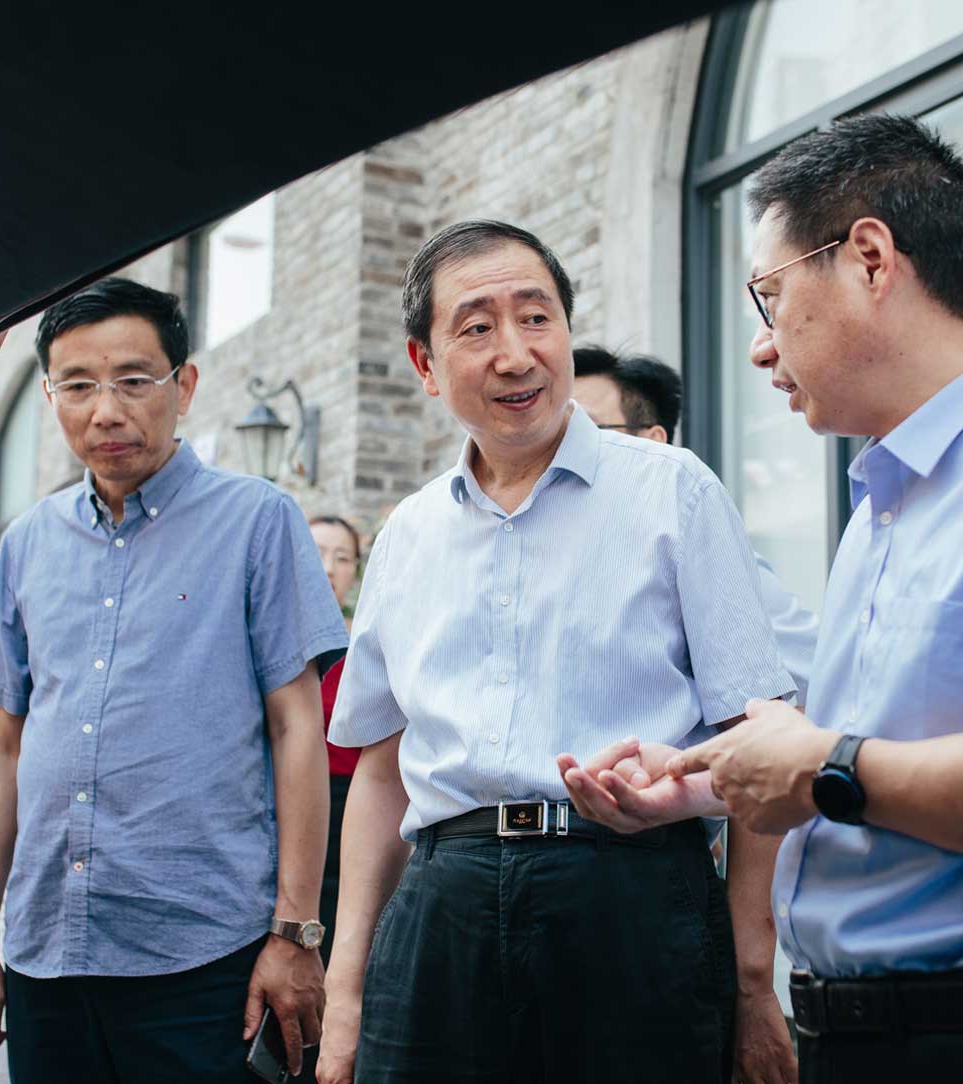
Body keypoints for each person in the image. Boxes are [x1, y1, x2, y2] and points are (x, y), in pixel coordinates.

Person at [562, 114, 963, 1083]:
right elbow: (880, 752)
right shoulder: (882, 504)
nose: (760, 348)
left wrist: (821, 766)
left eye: (769, 297)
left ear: (868, 258)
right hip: (868, 1033)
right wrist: (705, 778)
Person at [316, 220, 797, 1084]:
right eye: (476, 327)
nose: (516, 354)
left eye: (536, 318)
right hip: (442, 904)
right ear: (425, 364)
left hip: (631, 895)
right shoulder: (407, 535)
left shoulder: (674, 491)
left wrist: (752, 977)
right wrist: (346, 988)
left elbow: (755, 731)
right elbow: (380, 774)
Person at [0, 278, 349, 1084]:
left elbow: (296, 727)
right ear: (51, 397)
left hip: (205, 956)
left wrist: (296, 931)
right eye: (77, 386)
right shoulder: (28, 542)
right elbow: (0, 747)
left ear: (184, 386)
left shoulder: (257, 519)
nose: (106, 411)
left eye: (134, 380)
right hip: (46, 954)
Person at [571, 344, 818, 705]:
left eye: (587, 430)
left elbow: (819, 680)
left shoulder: (703, 553)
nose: (567, 449)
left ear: (654, 443)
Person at [308, 513, 363, 964]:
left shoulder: (367, 648)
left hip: (353, 808)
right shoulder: (268, 643)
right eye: (317, 554)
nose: (328, 568)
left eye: (342, 558)